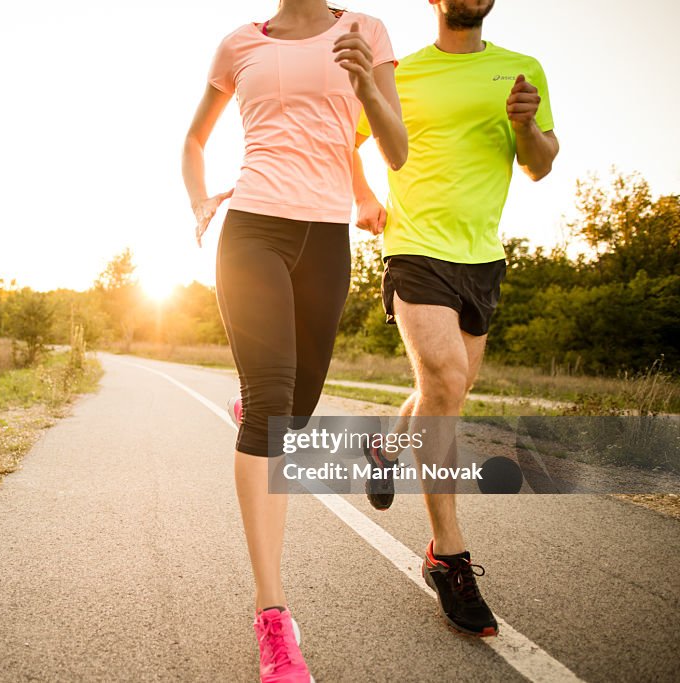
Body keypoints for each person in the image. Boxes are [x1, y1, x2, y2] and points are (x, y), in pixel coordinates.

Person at [182, 2, 407, 680]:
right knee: (274, 408)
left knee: (293, 414)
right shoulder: (238, 44)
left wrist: (369, 86)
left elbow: (397, 148)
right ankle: (273, 617)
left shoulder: (366, 31)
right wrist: (198, 197)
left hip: (324, 240)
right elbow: (194, 140)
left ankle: (291, 423)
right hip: (251, 229)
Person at [355, 0, 559, 637]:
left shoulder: (521, 70)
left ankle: (385, 445)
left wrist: (525, 127)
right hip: (414, 248)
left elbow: (540, 162)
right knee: (443, 382)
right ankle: (447, 556)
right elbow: (340, 138)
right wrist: (363, 197)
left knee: (448, 388)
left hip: (483, 258)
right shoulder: (401, 73)